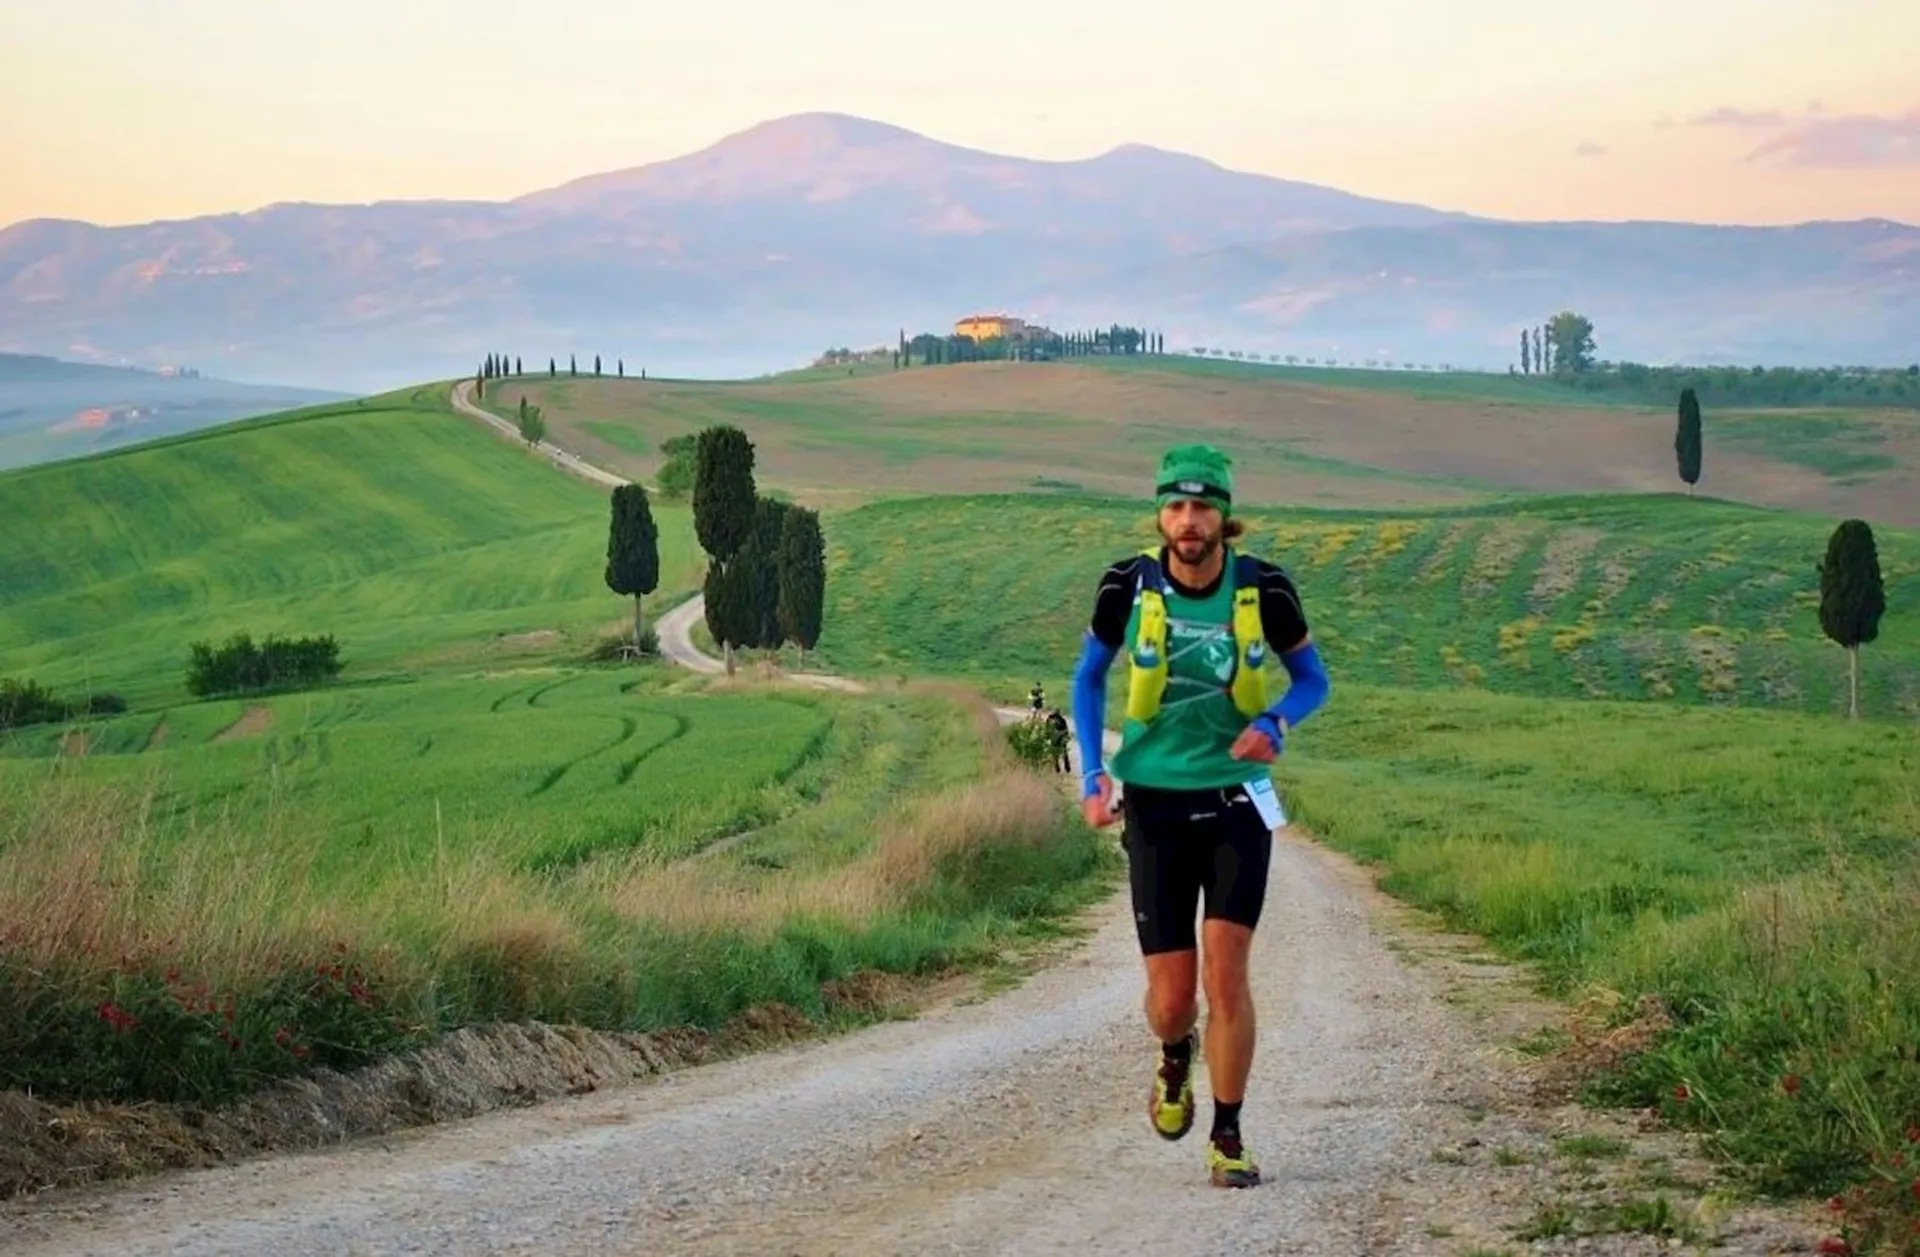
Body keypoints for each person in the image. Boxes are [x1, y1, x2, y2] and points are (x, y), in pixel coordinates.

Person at [1070, 442, 1330, 1189]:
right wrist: (1093, 775)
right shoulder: (1127, 583)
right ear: (1160, 512)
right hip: (1153, 800)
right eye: (1177, 506)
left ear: (1225, 515)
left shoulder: (1265, 588)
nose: (1189, 521)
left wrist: (1277, 721)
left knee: (1228, 976)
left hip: (1236, 801)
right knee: (1172, 1000)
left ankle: (1228, 1133)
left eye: (1203, 505)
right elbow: (1088, 677)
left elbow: (1313, 678)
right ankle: (1172, 1054)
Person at [1045, 706, 1070, 773]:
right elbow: (1066, 730)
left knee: (1055, 755)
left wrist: (1047, 737)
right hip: (1060, 737)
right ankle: (1066, 768)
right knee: (1063, 754)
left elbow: (1047, 730)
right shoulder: (1062, 719)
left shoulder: (1049, 719)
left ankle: (1057, 769)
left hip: (1054, 738)